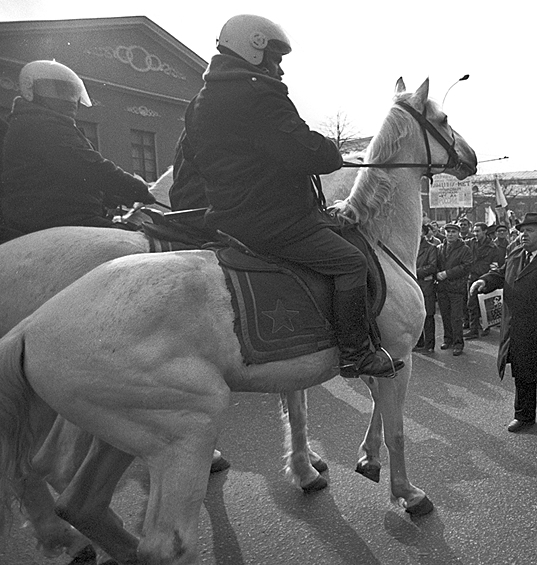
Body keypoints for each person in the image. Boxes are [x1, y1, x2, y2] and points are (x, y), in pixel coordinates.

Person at [185, 15, 401, 379]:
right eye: (276, 57)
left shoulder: (201, 101)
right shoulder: (257, 93)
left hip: (228, 216)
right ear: (254, 49)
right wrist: (331, 151)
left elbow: (193, 160)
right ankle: (355, 353)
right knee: (350, 261)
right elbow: (301, 150)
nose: (280, 69)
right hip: (274, 220)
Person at [1, 60, 155, 235]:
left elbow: (69, 178)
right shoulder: (43, 125)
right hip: (57, 218)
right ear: (30, 90)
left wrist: (115, 196)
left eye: (71, 92)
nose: (70, 100)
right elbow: (92, 168)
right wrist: (139, 190)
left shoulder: (39, 122)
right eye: (59, 91)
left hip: (57, 215)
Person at [471, 212, 537, 436]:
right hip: (518, 326)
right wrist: (484, 280)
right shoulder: (516, 253)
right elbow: (501, 274)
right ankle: (523, 415)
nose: (523, 235)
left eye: (529, 231)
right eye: (521, 231)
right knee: (523, 374)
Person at [436, 222, 473, 356]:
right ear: (445, 233)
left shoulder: (465, 249)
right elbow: (435, 265)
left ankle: (458, 343)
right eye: (448, 232)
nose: (450, 234)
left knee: (456, 317)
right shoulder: (439, 248)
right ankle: (448, 339)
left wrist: (447, 273)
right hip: (442, 288)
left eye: (453, 232)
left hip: (457, 288)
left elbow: (466, 267)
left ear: (458, 234)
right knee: (445, 315)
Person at [464, 222, 499, 340]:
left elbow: (495, 264)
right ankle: (474, 329)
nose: (475, 234)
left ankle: (486, 327)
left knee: (484, 304)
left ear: (485, 231)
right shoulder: (470, 243)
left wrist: (491, 276)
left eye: (478, 231)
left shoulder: (492, 247)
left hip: (486, 278)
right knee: (472, 304)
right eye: (474, 231)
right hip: (472, 277)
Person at [414, 224, 439, 353]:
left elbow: (432, 267)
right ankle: (419, 342)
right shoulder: (411, 248)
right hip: (414, 285)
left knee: (428, 315)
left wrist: (413, 271)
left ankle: (429, 344)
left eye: (419, 231)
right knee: (416, 315)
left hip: (426, 286)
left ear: (424, 233)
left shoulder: (431, 248)